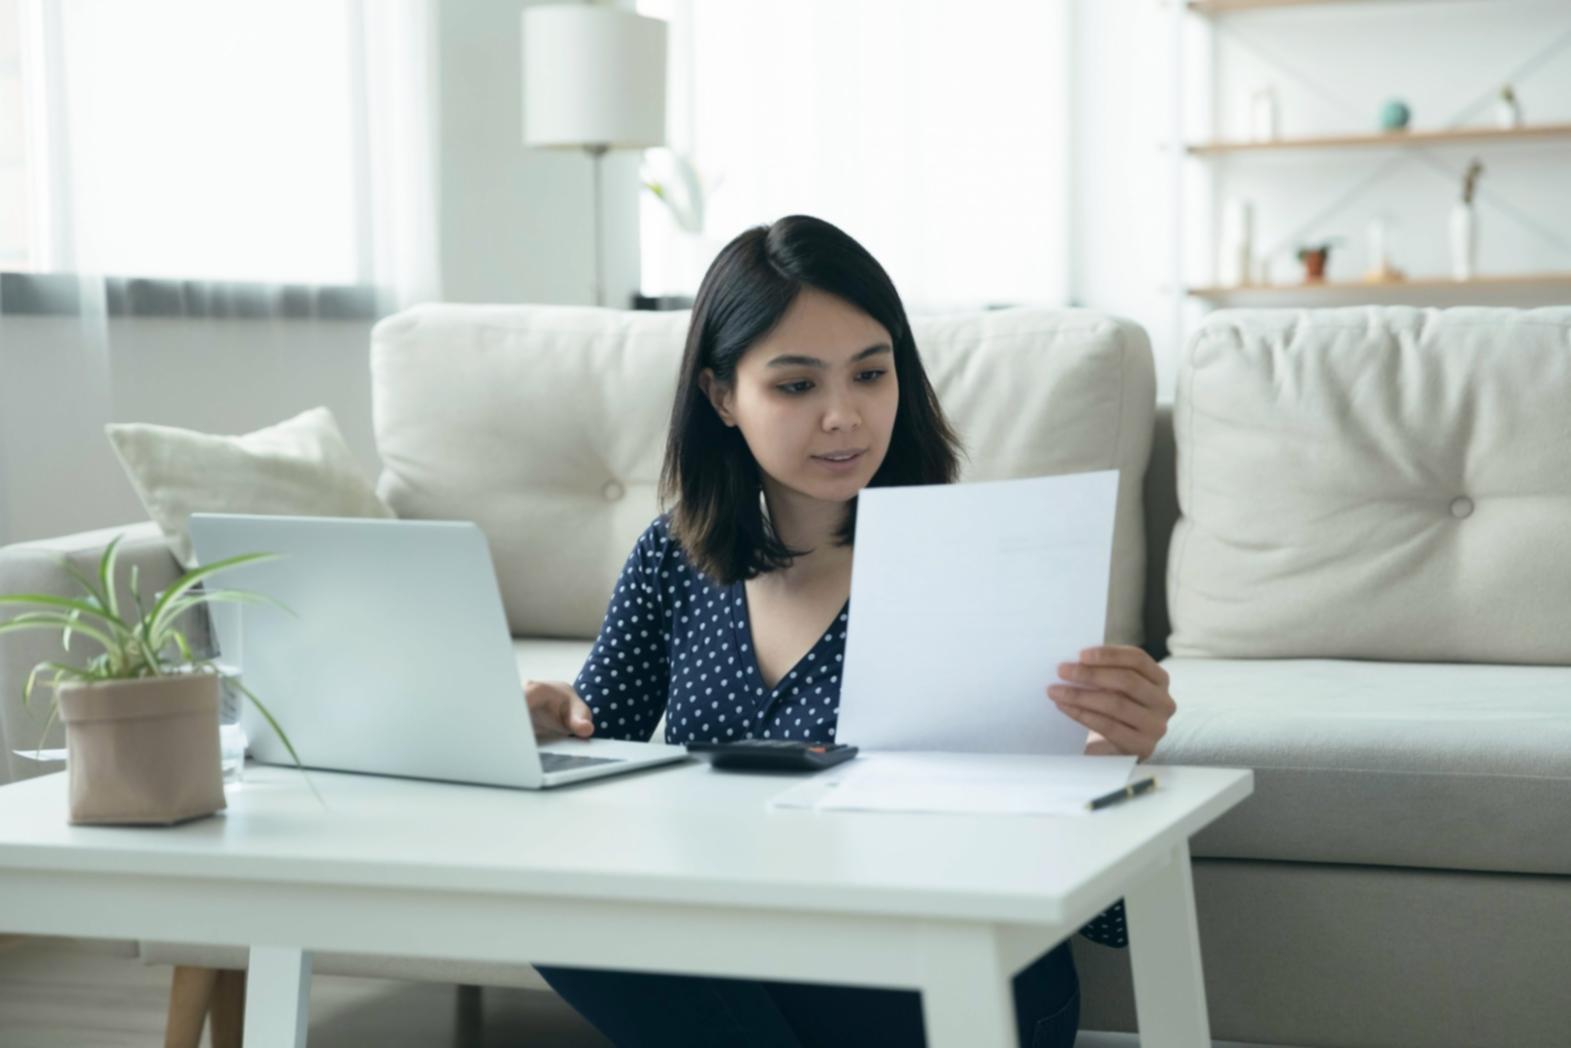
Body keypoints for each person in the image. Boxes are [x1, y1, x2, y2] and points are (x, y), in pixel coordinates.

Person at [525, 214, 1177, 1047]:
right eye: (796, 386)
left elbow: (1101, 911)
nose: (843, 416)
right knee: (551, 907)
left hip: (941, 967)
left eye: (870, 374)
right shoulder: (674, 555)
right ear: (722, 397)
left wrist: (1115, 762)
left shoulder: (977, 561)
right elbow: (586, 764)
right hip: (753, 954)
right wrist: (538, 724)